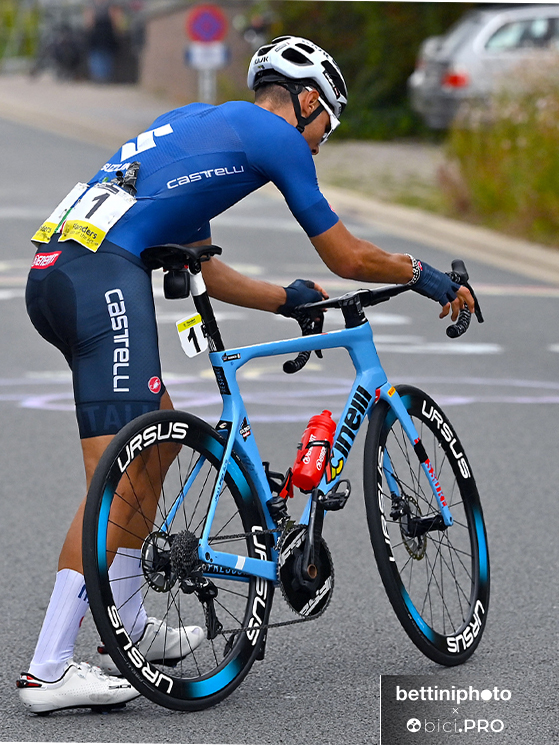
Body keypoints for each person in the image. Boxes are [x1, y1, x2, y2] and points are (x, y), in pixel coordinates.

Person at [19, 36, 474, 714]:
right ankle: (49, 667)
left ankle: (130, 623)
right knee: (117, 478)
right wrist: (426, 276)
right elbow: (347, 256)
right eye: (326, 126)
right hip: (99, 278)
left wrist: (285, 299)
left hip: (57, 276)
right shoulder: (275, 135)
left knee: (154, 448)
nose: (319, 143)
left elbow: (202, 263)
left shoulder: (198, 126)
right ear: (308, 100)